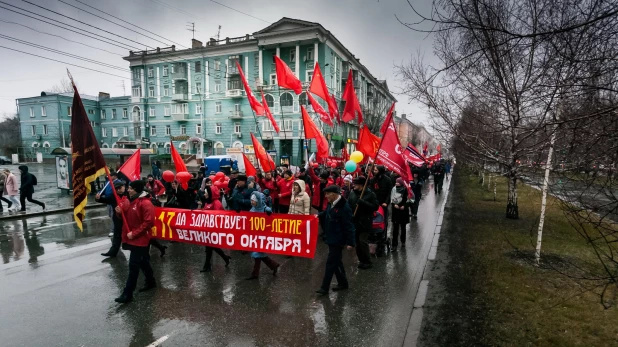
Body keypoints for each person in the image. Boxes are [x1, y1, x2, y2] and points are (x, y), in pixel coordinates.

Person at [114, 180, 157, 304]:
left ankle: (127, 293)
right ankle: (151, 281)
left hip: (141, 239)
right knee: (143, 261)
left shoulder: (145, 203)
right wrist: (119, 213)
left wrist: (134, 233)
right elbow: (126, 218)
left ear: (137, 190)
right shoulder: (131, 201)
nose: (128, 190)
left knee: (133, 266)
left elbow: (149, 222)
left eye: (131, 188)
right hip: (133, 239)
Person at [316, 185, 355, 295]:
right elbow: (326, 213)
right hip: (330, 237)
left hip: (338, 240)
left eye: (328, 194)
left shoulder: (344, 207)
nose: (326, 196)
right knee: (337, 262)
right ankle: (343, 283)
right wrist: (317, 216)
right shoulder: (332, 203)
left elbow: (349, 226)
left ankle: (324, 287)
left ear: (334, 194)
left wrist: (350, 242)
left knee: (330, 263)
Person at [246, 191, 280, 280]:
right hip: (254, 235)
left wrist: (269, 214)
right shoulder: (252, 209)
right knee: (259, 254)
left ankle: (255, 274)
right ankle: (274, 265)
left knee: (257, 254)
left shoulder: (265, 209)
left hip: (263, 236)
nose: (252, 202)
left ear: (259, 200)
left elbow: (272, 221)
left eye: (253, 200)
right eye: (251, 200)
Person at [347, 176, 379, 269]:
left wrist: (363, 202)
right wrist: (350, 214)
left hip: (365, 221)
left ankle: (367, 261)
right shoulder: (352, 193)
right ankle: (361, 260)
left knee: (362, 241)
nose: (354, 185)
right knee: (357, 242)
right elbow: (348, 204)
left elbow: (375, 206)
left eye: (356, 184)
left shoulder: (370, 194)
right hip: (355, 221)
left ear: (361, 185)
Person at [198, 185, 231, 272]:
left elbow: (217, 216)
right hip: (208, 228)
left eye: (206, 193)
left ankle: (207, 266)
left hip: (213, 229)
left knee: (209, 247)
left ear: (210, 193)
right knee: (211, 246)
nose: (204, 195)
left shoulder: (216, 203)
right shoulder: (207, 202)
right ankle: (225, 258)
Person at [96, 180, 126, 257]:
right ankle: (113, 252)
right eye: (122, 186)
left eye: (123, 186)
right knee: (117, 235)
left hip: (128, 219)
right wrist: (98, 198)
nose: (124, 188)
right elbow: (105, 200)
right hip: (118, 219)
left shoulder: (128, 194)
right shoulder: (113, 196)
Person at [370, 165, 392, 231]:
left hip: (383, 203)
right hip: (374, 203)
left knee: (383, 219)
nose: (374, 171)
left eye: (376, 170)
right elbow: (371, 191)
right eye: (374, 170)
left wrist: (386, 202)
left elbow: (390, 192)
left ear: (380, 171)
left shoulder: (388, 180)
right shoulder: (372, 179)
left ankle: (383, 233)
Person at [390, 178, 410, 251]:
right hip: (396, 211)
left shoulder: (406, 189)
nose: (396, 183)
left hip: (403, 211)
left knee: (403, 227)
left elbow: (410, 199)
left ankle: (403, 241)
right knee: (395, 229)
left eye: (397, 182)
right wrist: (393, 204)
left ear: (401, 183)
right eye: (396, 182)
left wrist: (404, 206)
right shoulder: (393, 189)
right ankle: (394, 244)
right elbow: (391, 199)